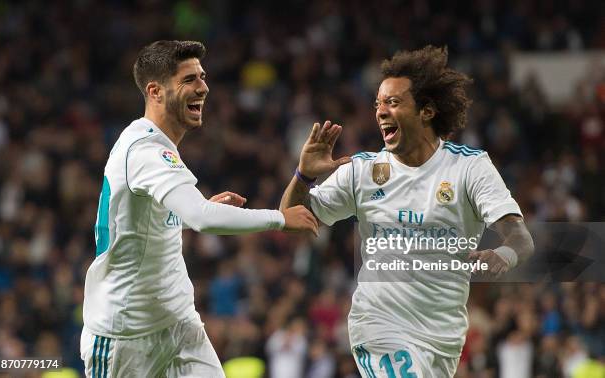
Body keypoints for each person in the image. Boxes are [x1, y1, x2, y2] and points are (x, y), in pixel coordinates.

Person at [280, 46, 534, 377]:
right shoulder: (362, 172)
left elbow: (521, 240)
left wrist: (504, 254)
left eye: (393, 102)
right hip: (379, 324)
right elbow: (290, 219)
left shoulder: (469, 168)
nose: (381, 112)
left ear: (426, 111)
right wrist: (303, 175)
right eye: (378, 104)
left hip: (442, 336)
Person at [80, 40, 318, 378]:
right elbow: (203, 219)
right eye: (189, 79)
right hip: (125, 337)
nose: (203, 87)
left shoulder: (154, 144)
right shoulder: (146, 151)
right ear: (155, 91)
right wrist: (280, 219)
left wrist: (191, 212)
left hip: (179, 325)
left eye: (202, 77)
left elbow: (146, 222)